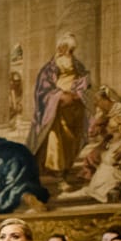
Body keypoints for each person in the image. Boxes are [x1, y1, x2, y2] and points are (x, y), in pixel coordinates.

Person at [26, 32, 90, 180]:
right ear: (60, 47)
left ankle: (66, 165)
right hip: (56, 105)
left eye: (70, 49)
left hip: (73, 104)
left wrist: (77, 94)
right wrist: (59, 95)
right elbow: (43, 88)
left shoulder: (77, 64)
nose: (67, 52)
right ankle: (55, 168)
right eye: (65, 48)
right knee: (55, 136)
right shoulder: (50, 67)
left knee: (70, 137)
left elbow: (84, 81)